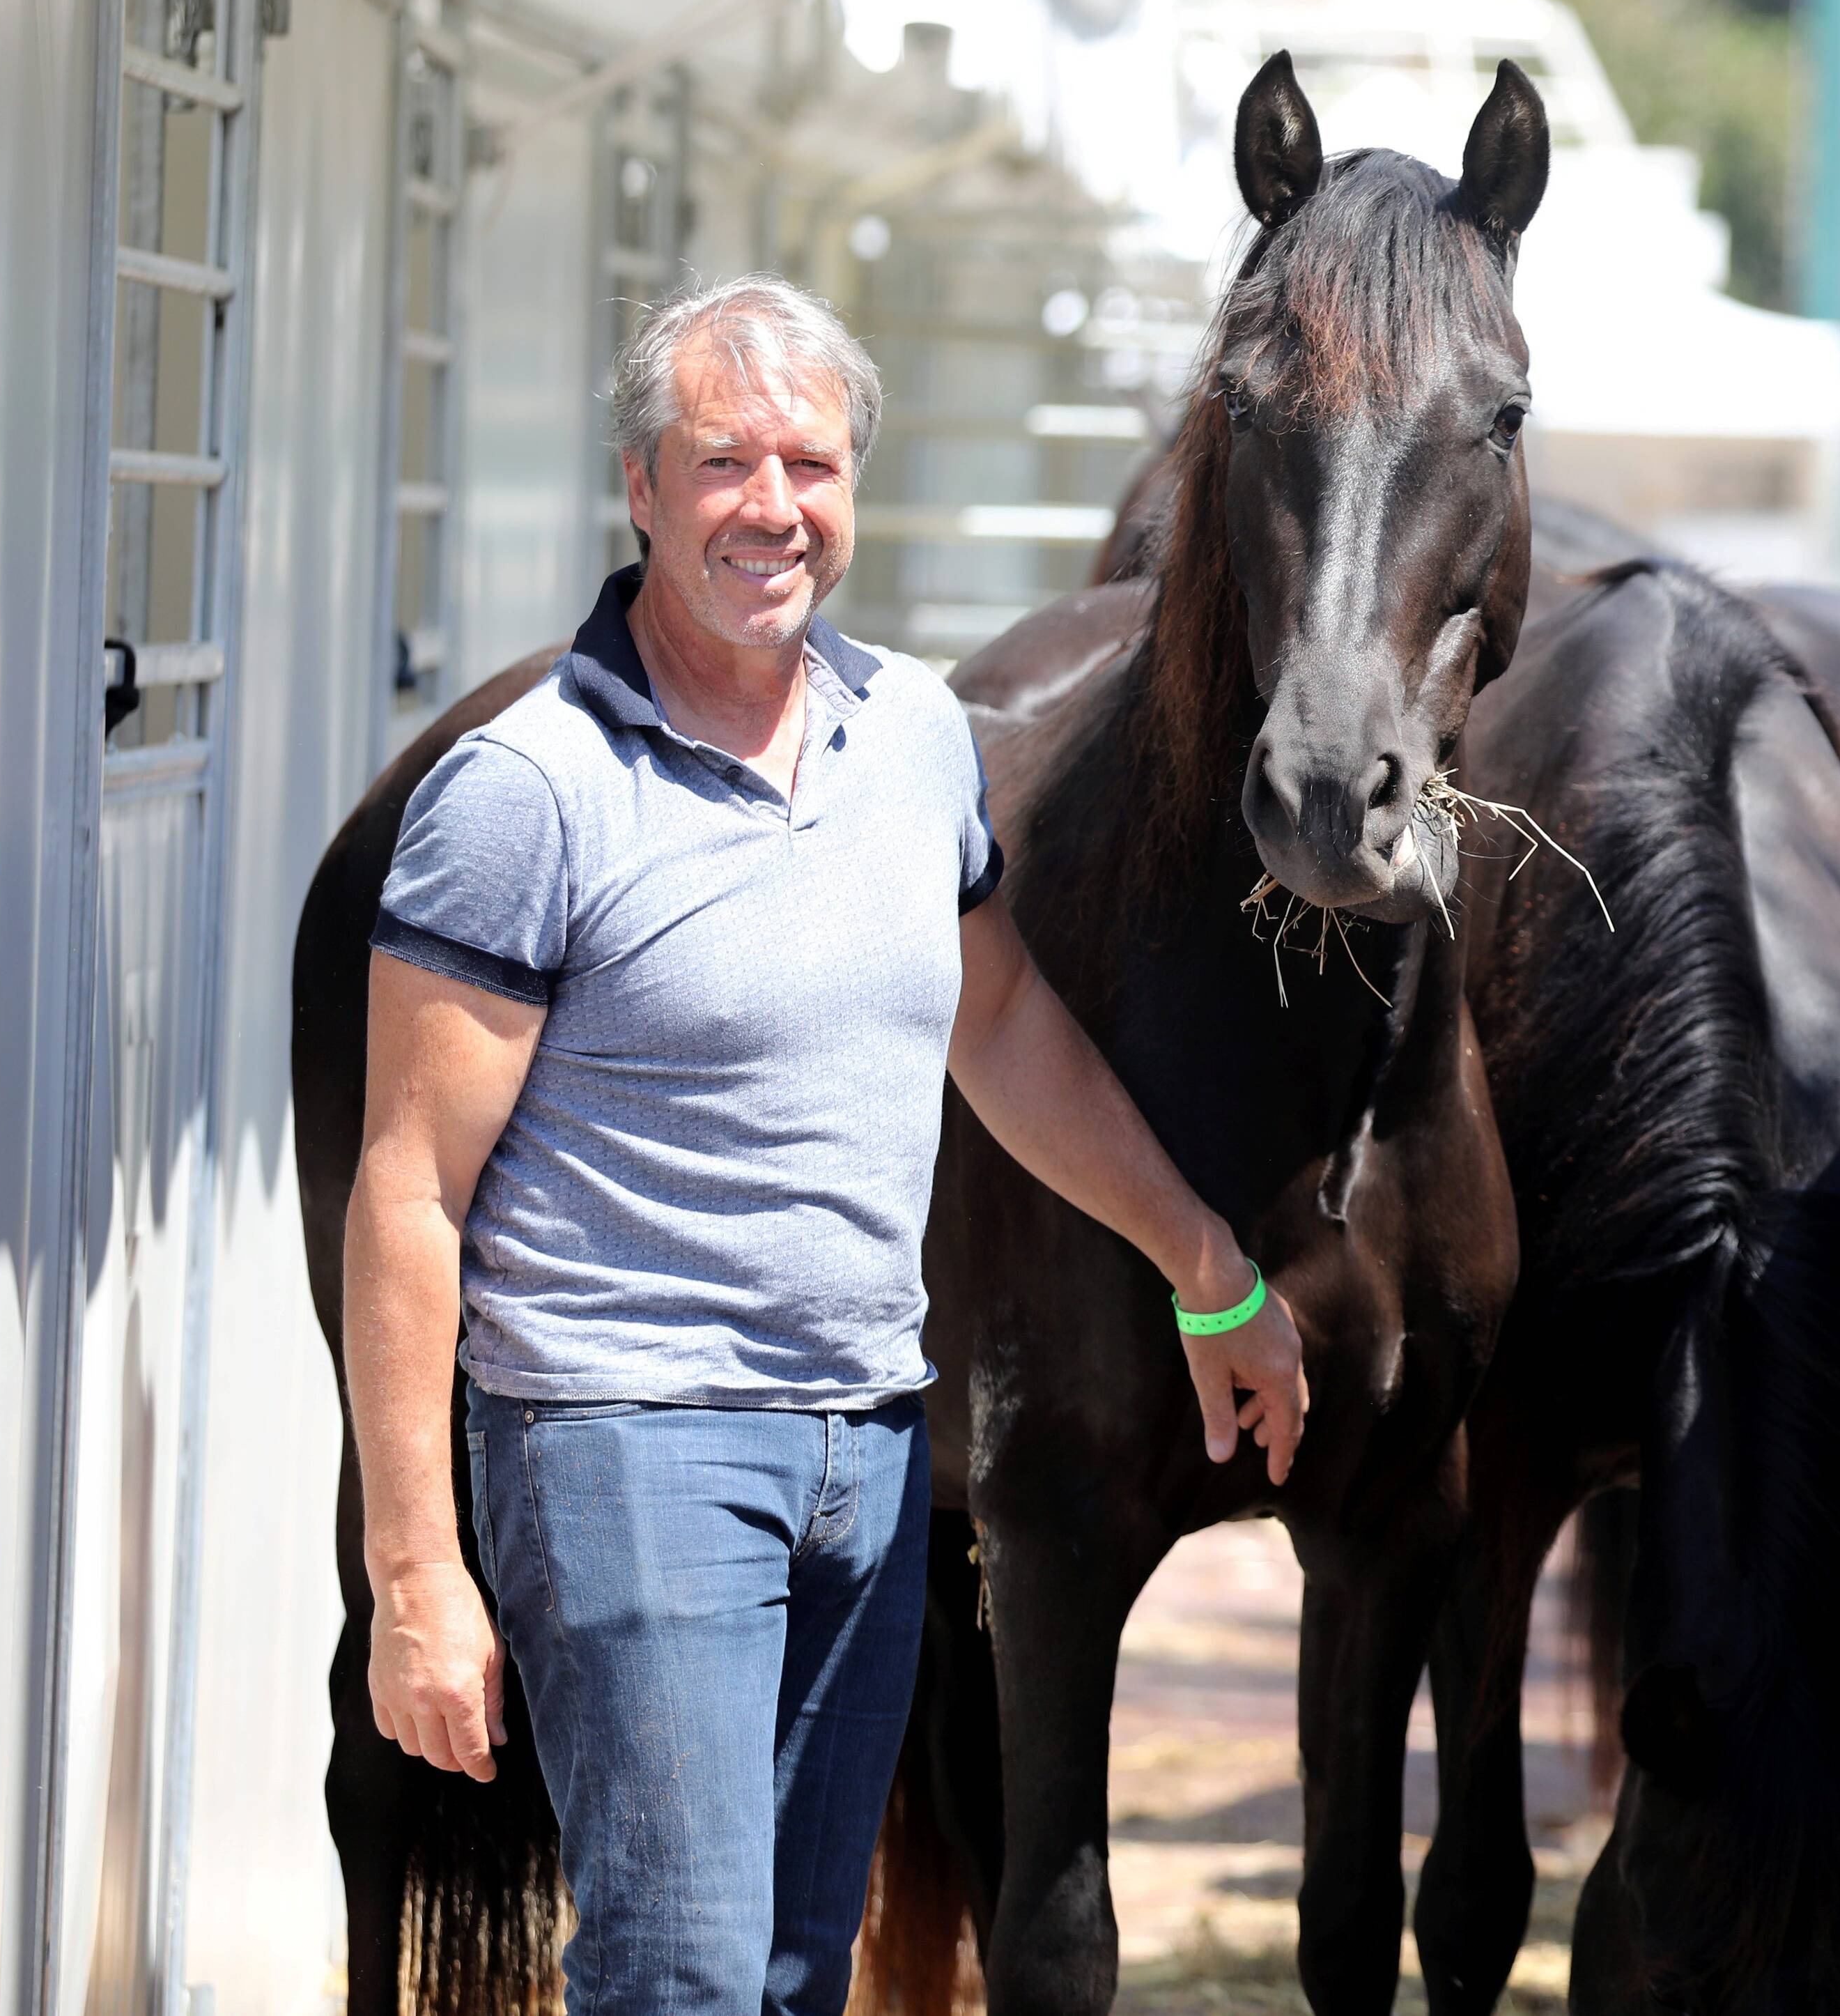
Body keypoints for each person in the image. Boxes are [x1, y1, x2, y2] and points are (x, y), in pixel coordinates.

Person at [342, 273, 1307, 2014]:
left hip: (867, 1450)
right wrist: (415, 1566)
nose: (771, 506)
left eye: (810, 461)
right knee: (682, 1970)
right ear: (641, 487)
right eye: (723, 461)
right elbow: (408, 1190)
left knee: (797, 1972)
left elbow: (998, 1023)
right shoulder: (527, 789)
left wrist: (1208, 1265)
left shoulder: (913, 734)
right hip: (627, 1441)